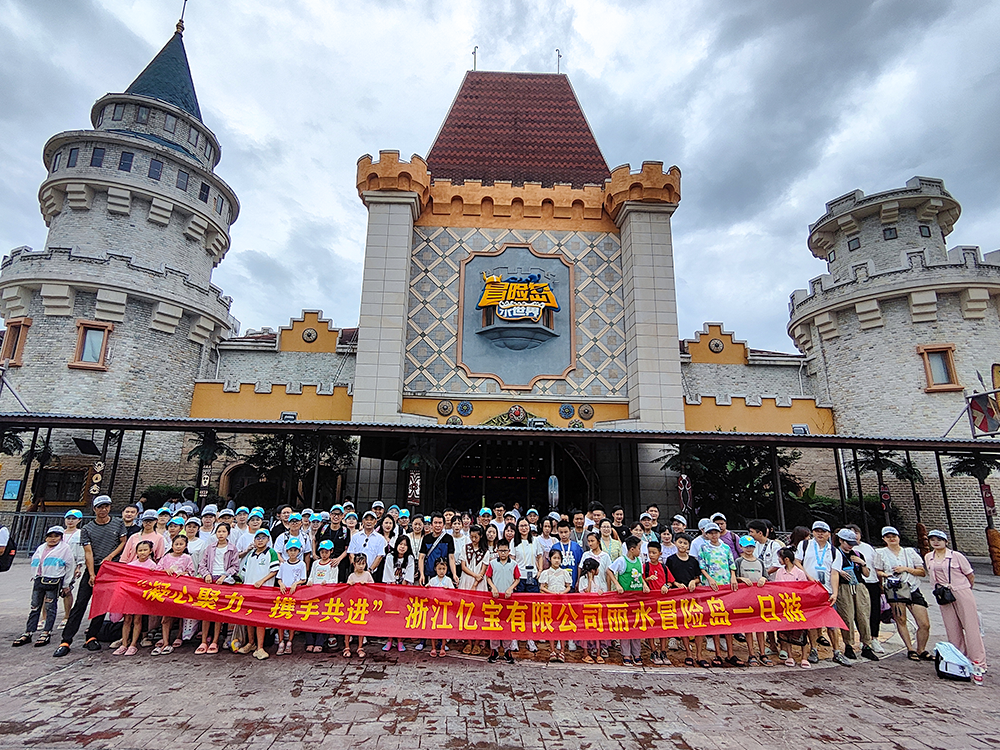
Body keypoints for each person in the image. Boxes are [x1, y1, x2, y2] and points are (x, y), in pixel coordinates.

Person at [53, 495, 126, 657]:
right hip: (93, 567)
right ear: (94, 509)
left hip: (110, 570)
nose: (103, 510)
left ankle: (92, 635)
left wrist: (110, 556)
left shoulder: (118, 523)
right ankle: (66, 639)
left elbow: (122, 541)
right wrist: (92, 573)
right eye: (100, 507)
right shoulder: (87, 529)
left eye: (106, 506)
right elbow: (88, 552)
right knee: (80, 603)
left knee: (101, 605)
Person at [924, 529, 986, 680]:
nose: (936, 542)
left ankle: (978, 661)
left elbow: (970, 574)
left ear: (945, 541)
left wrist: (964, 589)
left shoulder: (956, 556)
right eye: (932, 539)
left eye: (939, 539)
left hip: (961, 590)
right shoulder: (928, 557)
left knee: (971, 627)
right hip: (943, 594)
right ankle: (959, 659)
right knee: (952, 628)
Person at [795, 521, 848, 666]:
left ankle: (836, 651)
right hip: (810, 590)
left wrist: (835, 593)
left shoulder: (834, 551)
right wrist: (807, 576)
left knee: (831, 623)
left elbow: (834, 573)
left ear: (829, 534)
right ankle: (814, 649)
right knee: (812, 622)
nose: (820, 534)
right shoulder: (805, 545)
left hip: (827, 590)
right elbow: (797, 561)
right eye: (817, 531)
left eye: (823, 531)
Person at [13, 526, 75, 648]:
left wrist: (66, 584)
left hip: (54, 580)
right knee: (35, 606)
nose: (52, 539)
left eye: (56, 536)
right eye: (50, 536)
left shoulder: (65, 549)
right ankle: (29, 631)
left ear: (61, 537)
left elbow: (70, 566)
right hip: (39, 580)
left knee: (50, 606)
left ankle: (46, 632)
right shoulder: (41, 548)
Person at [875, 525, 931, 661]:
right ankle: (910, 648)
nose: (891, 539)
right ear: (884, 539)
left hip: (912, 587)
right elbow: (877, 571)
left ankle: (921, 648)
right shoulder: (880, 553)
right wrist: (886, 575)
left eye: (893, 536)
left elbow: (922, 572)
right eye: (888, 537)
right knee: (901, 619)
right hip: (895, 589)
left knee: (924, 623)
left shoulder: (909, 552)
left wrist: (906, 569)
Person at [833, 528, 878, 662]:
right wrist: (839, 572)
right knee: (847, 615)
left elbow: (866, 574)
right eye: (848, 542)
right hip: (843, 587)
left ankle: (866, 645)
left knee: (863, 615)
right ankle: (848, 645)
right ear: (841, 541)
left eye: (852, 543)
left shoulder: (857, 554)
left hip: (859, 585)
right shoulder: (835, 553)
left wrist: (862, 563)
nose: (850, 546)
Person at [196, 523, 239, 655]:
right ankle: (204, 641)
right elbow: (202, 564)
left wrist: (224, 576)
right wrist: (206, 574)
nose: (220, 534)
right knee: (206, 612)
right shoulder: (210, 547)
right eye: (218, 531)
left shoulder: (233, 548)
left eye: (223, 531)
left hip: (223, 582)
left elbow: (235, 567)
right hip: (209, 581)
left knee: (218, 613)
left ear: (228, 533)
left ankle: (215, 640)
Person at [239, 529, 280, 660]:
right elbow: (244, 572)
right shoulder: (251, 554)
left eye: (263, 537)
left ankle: (260, 647)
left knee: (260, 620)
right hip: (249, 591)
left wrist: (262, 581)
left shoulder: (271, 552)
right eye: (258, 538)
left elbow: (274, 570)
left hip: (264, 592)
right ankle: (250, 643)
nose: (260, 540)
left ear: (268, 539)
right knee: (249, 618)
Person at [609, 535, 649, 666]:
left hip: (637, 600)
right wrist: (617, 584)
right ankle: (626, 654)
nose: (640, 550)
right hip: (625, 599)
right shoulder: (622, 560)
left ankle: (636, 653)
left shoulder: (639, 561)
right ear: (632, 549)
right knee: (625, 627)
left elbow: (640, 576)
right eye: (638, 548)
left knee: (636, 626)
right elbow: (609, 570)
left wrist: (644, 584)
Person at [665, 533, 703, 667]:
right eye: (680, 542)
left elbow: (699, 578)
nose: (682, 545)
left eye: (685, 543)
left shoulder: (693, 560)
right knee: (683, 624)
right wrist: (676, 584)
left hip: (692, 596)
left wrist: (694, 581)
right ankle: (688, 653)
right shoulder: (670, 560)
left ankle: (699, 654)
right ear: (675, 543)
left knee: (698, 624)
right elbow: (668, 578)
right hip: (676, 596)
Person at [155, 534, 196, 655]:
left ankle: (179, 636)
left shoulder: (187, 558)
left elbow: (192, 573)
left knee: (180, 615)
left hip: (181, 590)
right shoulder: (166, 557)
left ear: (186, 546)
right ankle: (166, 641)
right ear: (172, 545)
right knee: (166, 617)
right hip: (167, 591)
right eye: (176, 544)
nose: (178, 547)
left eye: (181, 544)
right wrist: (165, 571)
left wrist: (184, 574)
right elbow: (157, 570)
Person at [846, 523, 884, 654]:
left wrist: (881, 582)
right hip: (855, 583)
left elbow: (876, 566)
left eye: (856, 532)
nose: (854, 536)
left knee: (874, 611)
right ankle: (862, 640)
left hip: (871, 581)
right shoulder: (843, 550)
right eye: (850, 533)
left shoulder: (867, 548)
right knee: (859, 614)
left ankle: (874, 638)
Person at [734, 534, 770, 666]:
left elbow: (766, 577)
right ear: (741, 547)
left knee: (761, 627)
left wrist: (763, 579)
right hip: (745, 599)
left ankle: (762, 653)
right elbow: (734, 578)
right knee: (748, 627)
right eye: (746, 546)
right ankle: (751, 653)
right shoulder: (738, 561)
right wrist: (741, 579)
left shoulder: (759, 561)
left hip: (759, 598)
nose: (749, 549)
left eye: (751, 546)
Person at [774, 548, 811, 668]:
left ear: (786, 559)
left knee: (801, 632)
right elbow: (777, 587)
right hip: (785, 606)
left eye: (780, 558)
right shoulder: (780, 572)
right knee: (786, 632)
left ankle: (804, 657)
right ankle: (790, 656)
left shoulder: (799, 573)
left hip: (797, 606)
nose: (778, 560)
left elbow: (803, 589)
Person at [485, 539, 519, 664]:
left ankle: (507, 650)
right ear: (497, 551)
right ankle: (494, 649)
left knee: (507, 624)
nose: (503, 553)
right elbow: (488, 577)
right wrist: (493, 588)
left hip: (508, 599)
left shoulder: (514, 564)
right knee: (494, 624)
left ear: (509, 551)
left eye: (505, 551)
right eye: (501, 551)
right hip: (495, 599)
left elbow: (517, 579)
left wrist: (511, 588)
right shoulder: (493, 563)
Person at [381, 535, 416, 654]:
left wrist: (402, 590)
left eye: (405, 545)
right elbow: (388, 575)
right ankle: (389, 639)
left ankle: (400, 640)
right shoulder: (390, 557)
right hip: (391, 591)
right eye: (400, 544)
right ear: (396, 545)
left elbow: (408, 576)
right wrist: (394, 589)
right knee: (390, 615)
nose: (402, 547)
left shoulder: (410, 558)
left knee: (402, 615)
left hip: (404, 592)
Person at [538, 548, 573, 663]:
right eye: (554, 558)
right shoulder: (546, 573)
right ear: (550, 559)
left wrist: (562, 593)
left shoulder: (564, 573)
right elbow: (542, 587)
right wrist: (552, 594)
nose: (557, 560)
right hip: (550, 602)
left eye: (558, 558)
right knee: (551, 625)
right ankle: (552, 650)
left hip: (562, 601)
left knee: (562, 626)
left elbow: (568, 586)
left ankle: (562, 651)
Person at [304, 540, 339, 653]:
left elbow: (335, 580)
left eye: (326, 552)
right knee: (309, 616)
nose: (324, 554)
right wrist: (309, 582)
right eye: (322, 552)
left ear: (331, 551)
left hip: (325, 596)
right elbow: (311, 576)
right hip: (313, 594)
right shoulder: (315, 563)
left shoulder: (333, 564)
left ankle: (319, 642)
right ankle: (309, 641)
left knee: (322, 618)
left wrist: (327, 582)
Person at [643, 539, 673, 665]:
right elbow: (641, 579)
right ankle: (653, 651)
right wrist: (648, 579)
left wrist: (666, 586)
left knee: (663, 627)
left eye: (654, 552)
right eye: (650, 552)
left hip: (663, 602)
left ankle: (663, 651)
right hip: (650, 602)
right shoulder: (646, 566)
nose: (651, 555)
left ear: (660, 554)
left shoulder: (664, 568)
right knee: (651, 626)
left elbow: (671, 581)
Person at [276, 538, 308, 656]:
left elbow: (303, 579)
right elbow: (279, 578)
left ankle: (289, 641)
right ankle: (280, 642)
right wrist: (281, 584)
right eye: (290, 550)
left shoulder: (301, 564)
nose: (293, 552)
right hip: (284, 594)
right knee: (280, 618)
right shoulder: (284, 565)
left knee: (291, 618)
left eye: (295, 550)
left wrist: (296, 583)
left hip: (295, 594)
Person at [345, 554, 374, 657]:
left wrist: (366, 584)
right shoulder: (351, 576)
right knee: (348, 626)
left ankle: (360, 647)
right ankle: (347, 647)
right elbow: (346, 589)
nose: (361, 566)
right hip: (352, 605)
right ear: (354, 564)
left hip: (363, 605)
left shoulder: (367, 575)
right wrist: (350, 584)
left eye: (363, 564)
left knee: (361, 626)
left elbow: (374, 587)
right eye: (359, 564)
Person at [60, 510, 85, 627]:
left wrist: (79, 566)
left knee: (67, 590)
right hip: (56, 564)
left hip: (71, 564)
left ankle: (67, 615)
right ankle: (44, 617)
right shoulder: (59, 533)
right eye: (68, 518)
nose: (70, 521)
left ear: (79, 520)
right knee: (48, 591)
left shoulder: (80, 534)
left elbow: (81, 551)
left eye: (73, 519)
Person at [426, 557, 455, 657]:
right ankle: (433, 647)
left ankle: (442, 647)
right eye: (439, 569)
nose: (442, 571)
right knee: (433, 628)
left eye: (443, 569)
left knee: (443, 628)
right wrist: (427, 587)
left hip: (444, 609)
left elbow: (454, 594)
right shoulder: (433, 580)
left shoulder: (448, 580)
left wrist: (449, 590)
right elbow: (427, 591)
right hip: (434, 609)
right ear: (435, 569)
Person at [418, 512, 457, 585]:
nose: (438, 525)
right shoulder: (426, 538)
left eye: (440, 523)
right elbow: (421, 557)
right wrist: (422, 574)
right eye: (435, 523)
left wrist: (454, 574)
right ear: (431, 525)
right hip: (429, 573)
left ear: (444, 525)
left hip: (444, 574)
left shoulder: (449, 538)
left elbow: (451, 557)